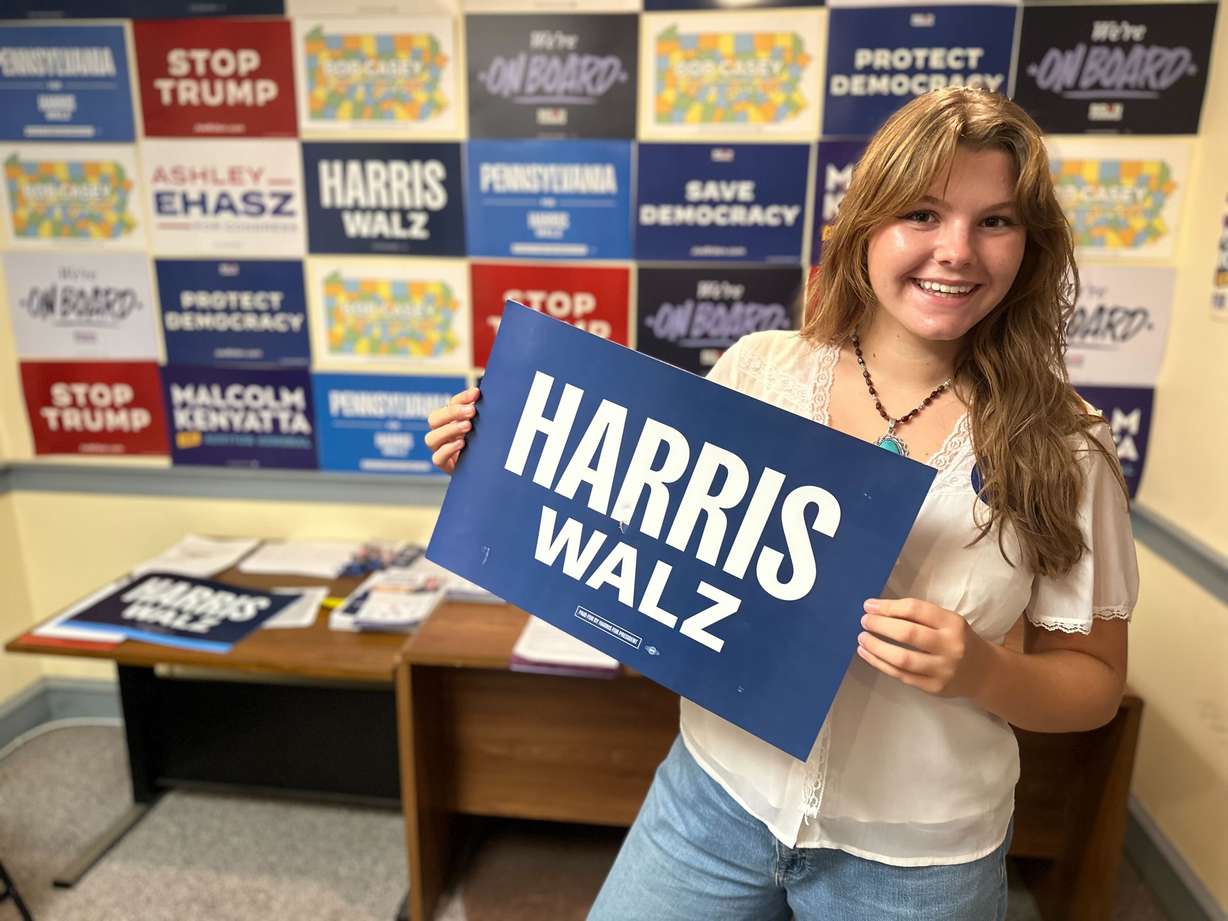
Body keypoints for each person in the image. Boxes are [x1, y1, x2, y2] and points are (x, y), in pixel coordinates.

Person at [423, 87, 1138, 921]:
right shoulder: (761, 370)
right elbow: (642, 531)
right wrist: (504, 453)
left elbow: (1094, 681)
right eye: (922, 213)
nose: (957, 251)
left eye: (996, 221)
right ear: (867, 222)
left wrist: (986, 672)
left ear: (1029, 243)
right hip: (712, 799)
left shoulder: (1065, 441)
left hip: (916, 860)